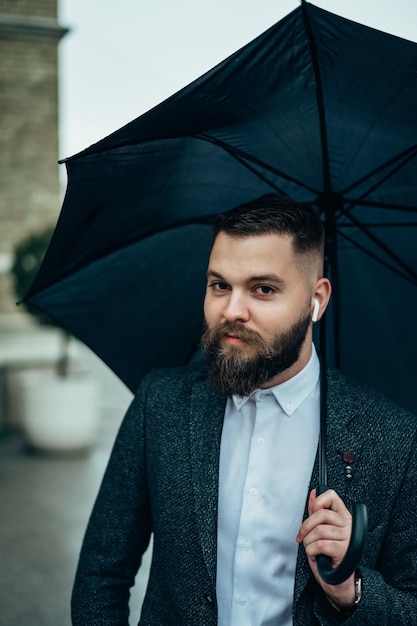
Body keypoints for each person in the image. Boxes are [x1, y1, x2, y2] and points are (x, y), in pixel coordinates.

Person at [71, 194, 417, 625]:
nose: (232, 310)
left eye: (263, 289)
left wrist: (350, 590)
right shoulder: (160, 404)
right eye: (220, 285)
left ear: (318, 299)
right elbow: (101, 573)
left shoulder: (396, 438)